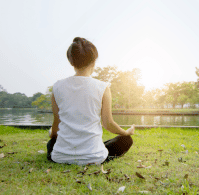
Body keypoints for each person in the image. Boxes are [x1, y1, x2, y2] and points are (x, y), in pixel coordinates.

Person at [46, 37, 135, 165]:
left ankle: (71, 153)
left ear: (71, 62)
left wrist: (52, 134)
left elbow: (57, 126)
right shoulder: (103, 87)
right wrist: (126, 132)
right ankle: (93, 153)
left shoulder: (57, 87)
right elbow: (108, 123)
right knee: (126, 140)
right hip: (94, 158)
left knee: (52, 142)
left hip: (61, 157)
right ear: (94, 61)